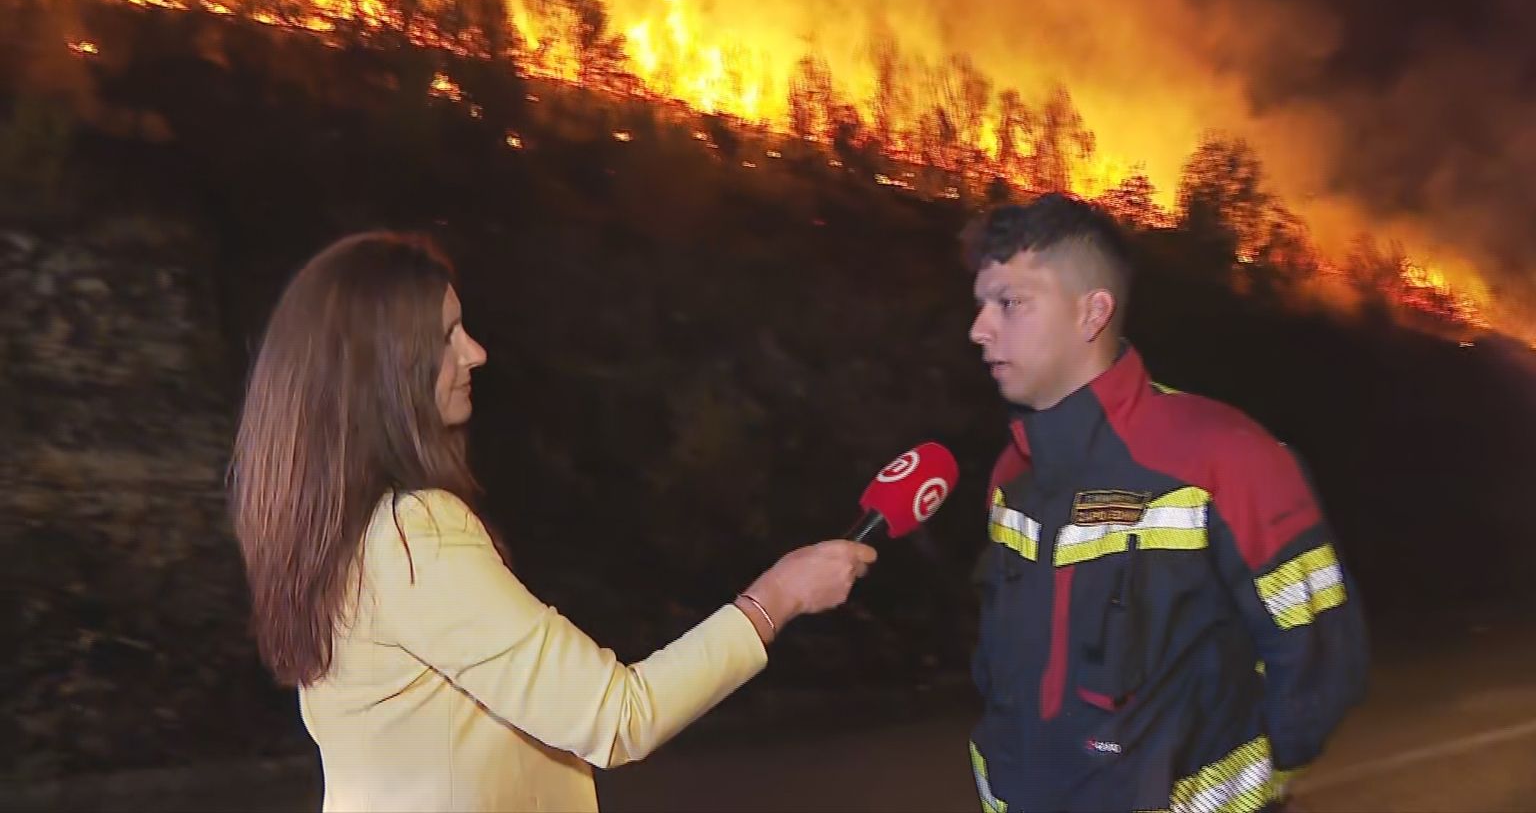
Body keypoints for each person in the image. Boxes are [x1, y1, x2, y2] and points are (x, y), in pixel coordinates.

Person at [228, 231, 876, 812]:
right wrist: (778, 597)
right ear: (379, 371)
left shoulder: (328, 528)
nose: (475, 352)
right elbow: (618, 717)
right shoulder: (412, 535)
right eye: (445, 337)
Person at [961, 195, 1367, 813]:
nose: (980, 329)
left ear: (1092, 312)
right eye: (981, 304)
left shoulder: (1225, 456)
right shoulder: (1013, 473)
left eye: (1010, 303)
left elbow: (1320, 658)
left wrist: (1250, 781)